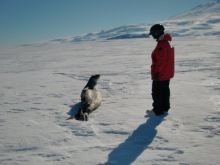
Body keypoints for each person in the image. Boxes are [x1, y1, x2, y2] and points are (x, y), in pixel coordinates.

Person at [146, 24, 175, 115]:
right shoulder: (169, 41)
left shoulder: (161, 45)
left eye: (153, 34)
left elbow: (161, 61)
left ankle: (157, 110)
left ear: (157, 33)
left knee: (157, 92)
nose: (153, 36)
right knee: (165, 90)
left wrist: (157, 72)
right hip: (168, 72)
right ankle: (165, 108)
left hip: (161, 73)